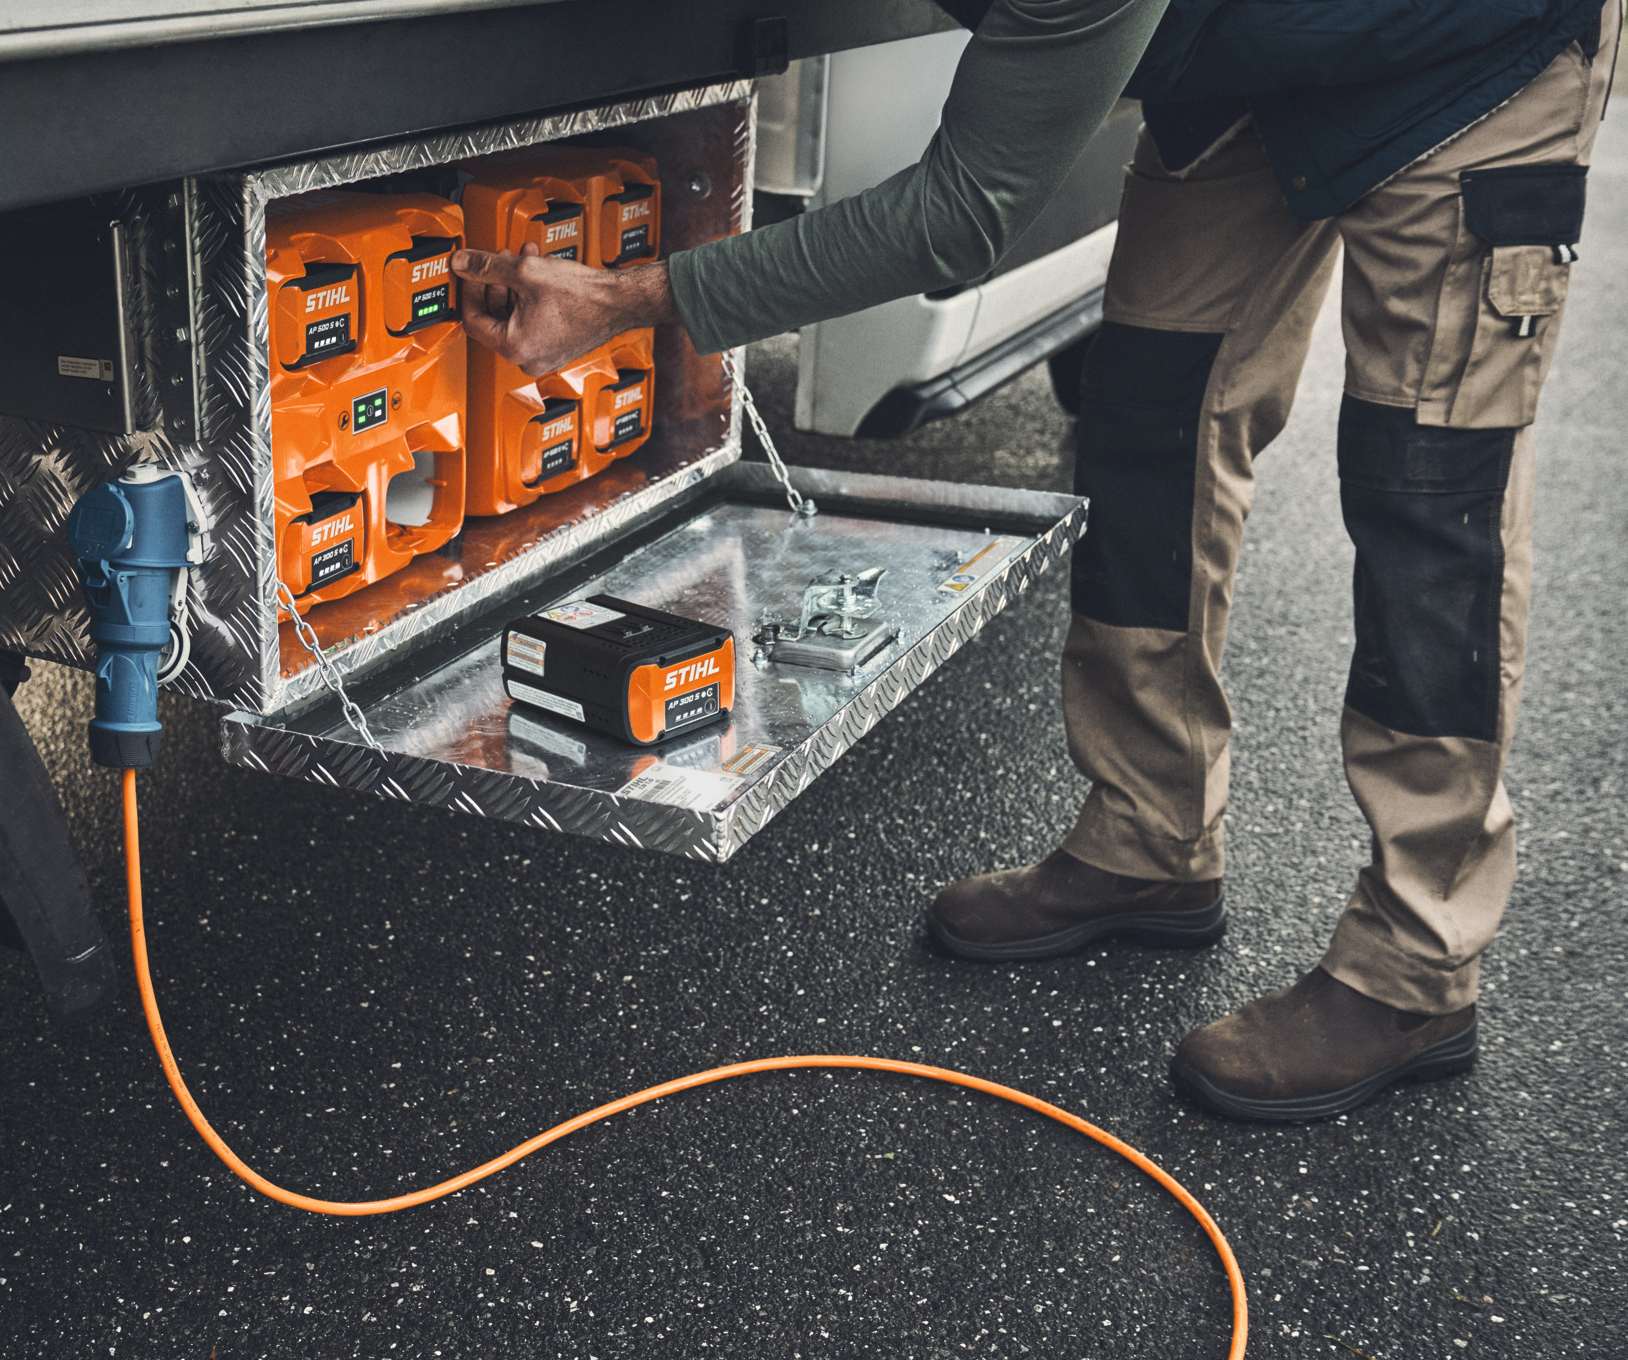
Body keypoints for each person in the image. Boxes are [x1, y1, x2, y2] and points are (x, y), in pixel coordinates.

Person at [451, 0, 1618, 1122]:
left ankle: (1419, 961)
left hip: (1470, 60)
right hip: (1245, 67)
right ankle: (1151, 837)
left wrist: (623, 299)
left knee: (1428, 497)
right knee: (1148, 422)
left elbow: (958, 215)